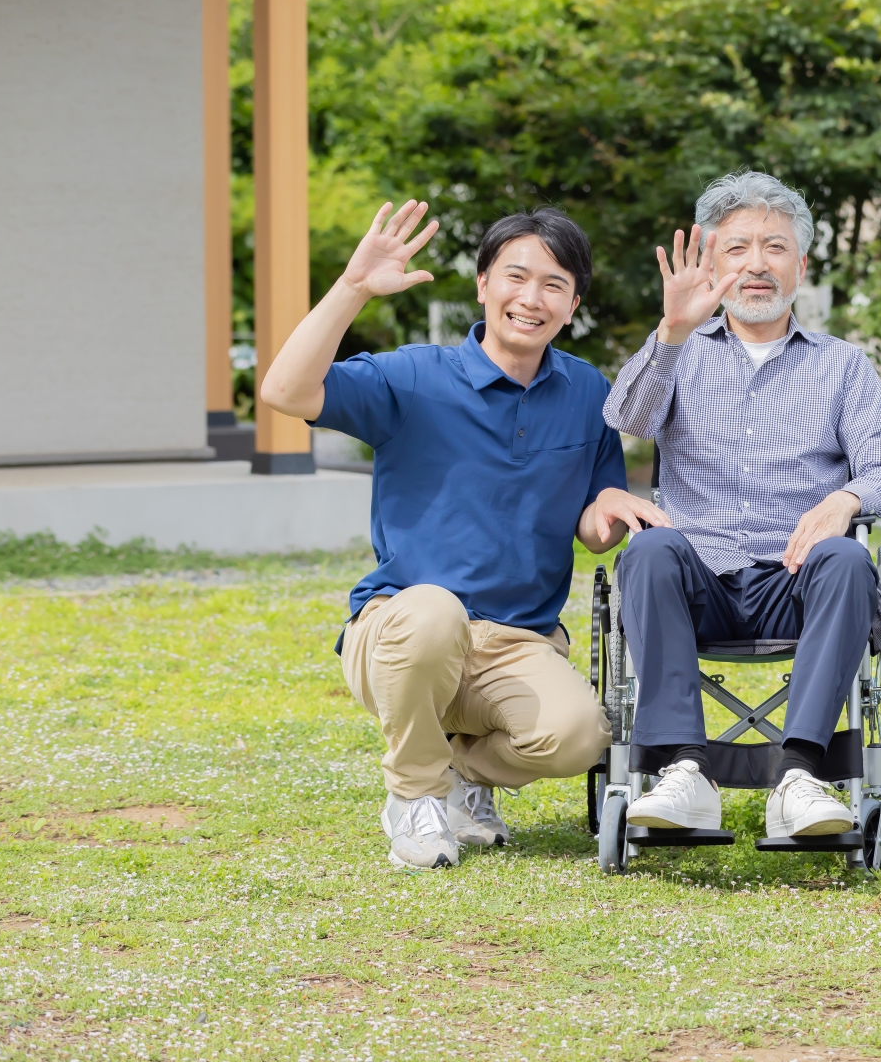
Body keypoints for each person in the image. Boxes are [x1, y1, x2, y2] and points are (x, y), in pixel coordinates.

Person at [262, 201, 666, 870]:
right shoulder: (412, 377)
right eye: (516, 276)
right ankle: (415, 796)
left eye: (554, 285)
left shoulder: (586, 392)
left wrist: (612, 505)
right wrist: (353, 287)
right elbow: (283, 390)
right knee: (434, 611)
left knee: (578, 736)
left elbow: (593, 529)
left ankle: (458, 776)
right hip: (403, 628)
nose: (531, 298)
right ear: (483, 285)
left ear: (572, 306)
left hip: (515, 642)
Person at [603, 171, 881, 840]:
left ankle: (800, 776)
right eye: (737, 248)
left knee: (847, 560)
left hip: (798, 580)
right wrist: (671, 332)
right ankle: (684, 772)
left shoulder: (842, 366)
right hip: (696, 581)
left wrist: (847, 497)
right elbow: (625, 417)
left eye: (774, 247)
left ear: (800, 264)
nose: (756, 264)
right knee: (649, 550)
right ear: (712, 264)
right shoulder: (680, 353)